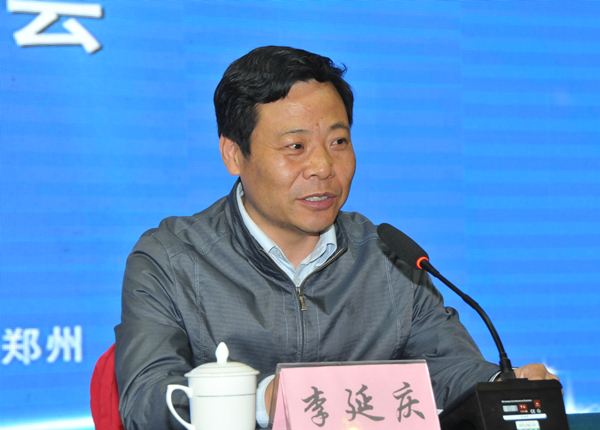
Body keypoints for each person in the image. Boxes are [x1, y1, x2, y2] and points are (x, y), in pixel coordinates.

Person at [114, 46, 558, 430]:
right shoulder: (171, 258)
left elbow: (446, 368)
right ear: (234, 154)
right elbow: (145, 402)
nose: (324, 167)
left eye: (339, 142)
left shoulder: (387, 255)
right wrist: (262, 400)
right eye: (295, 147)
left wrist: (503, 384)